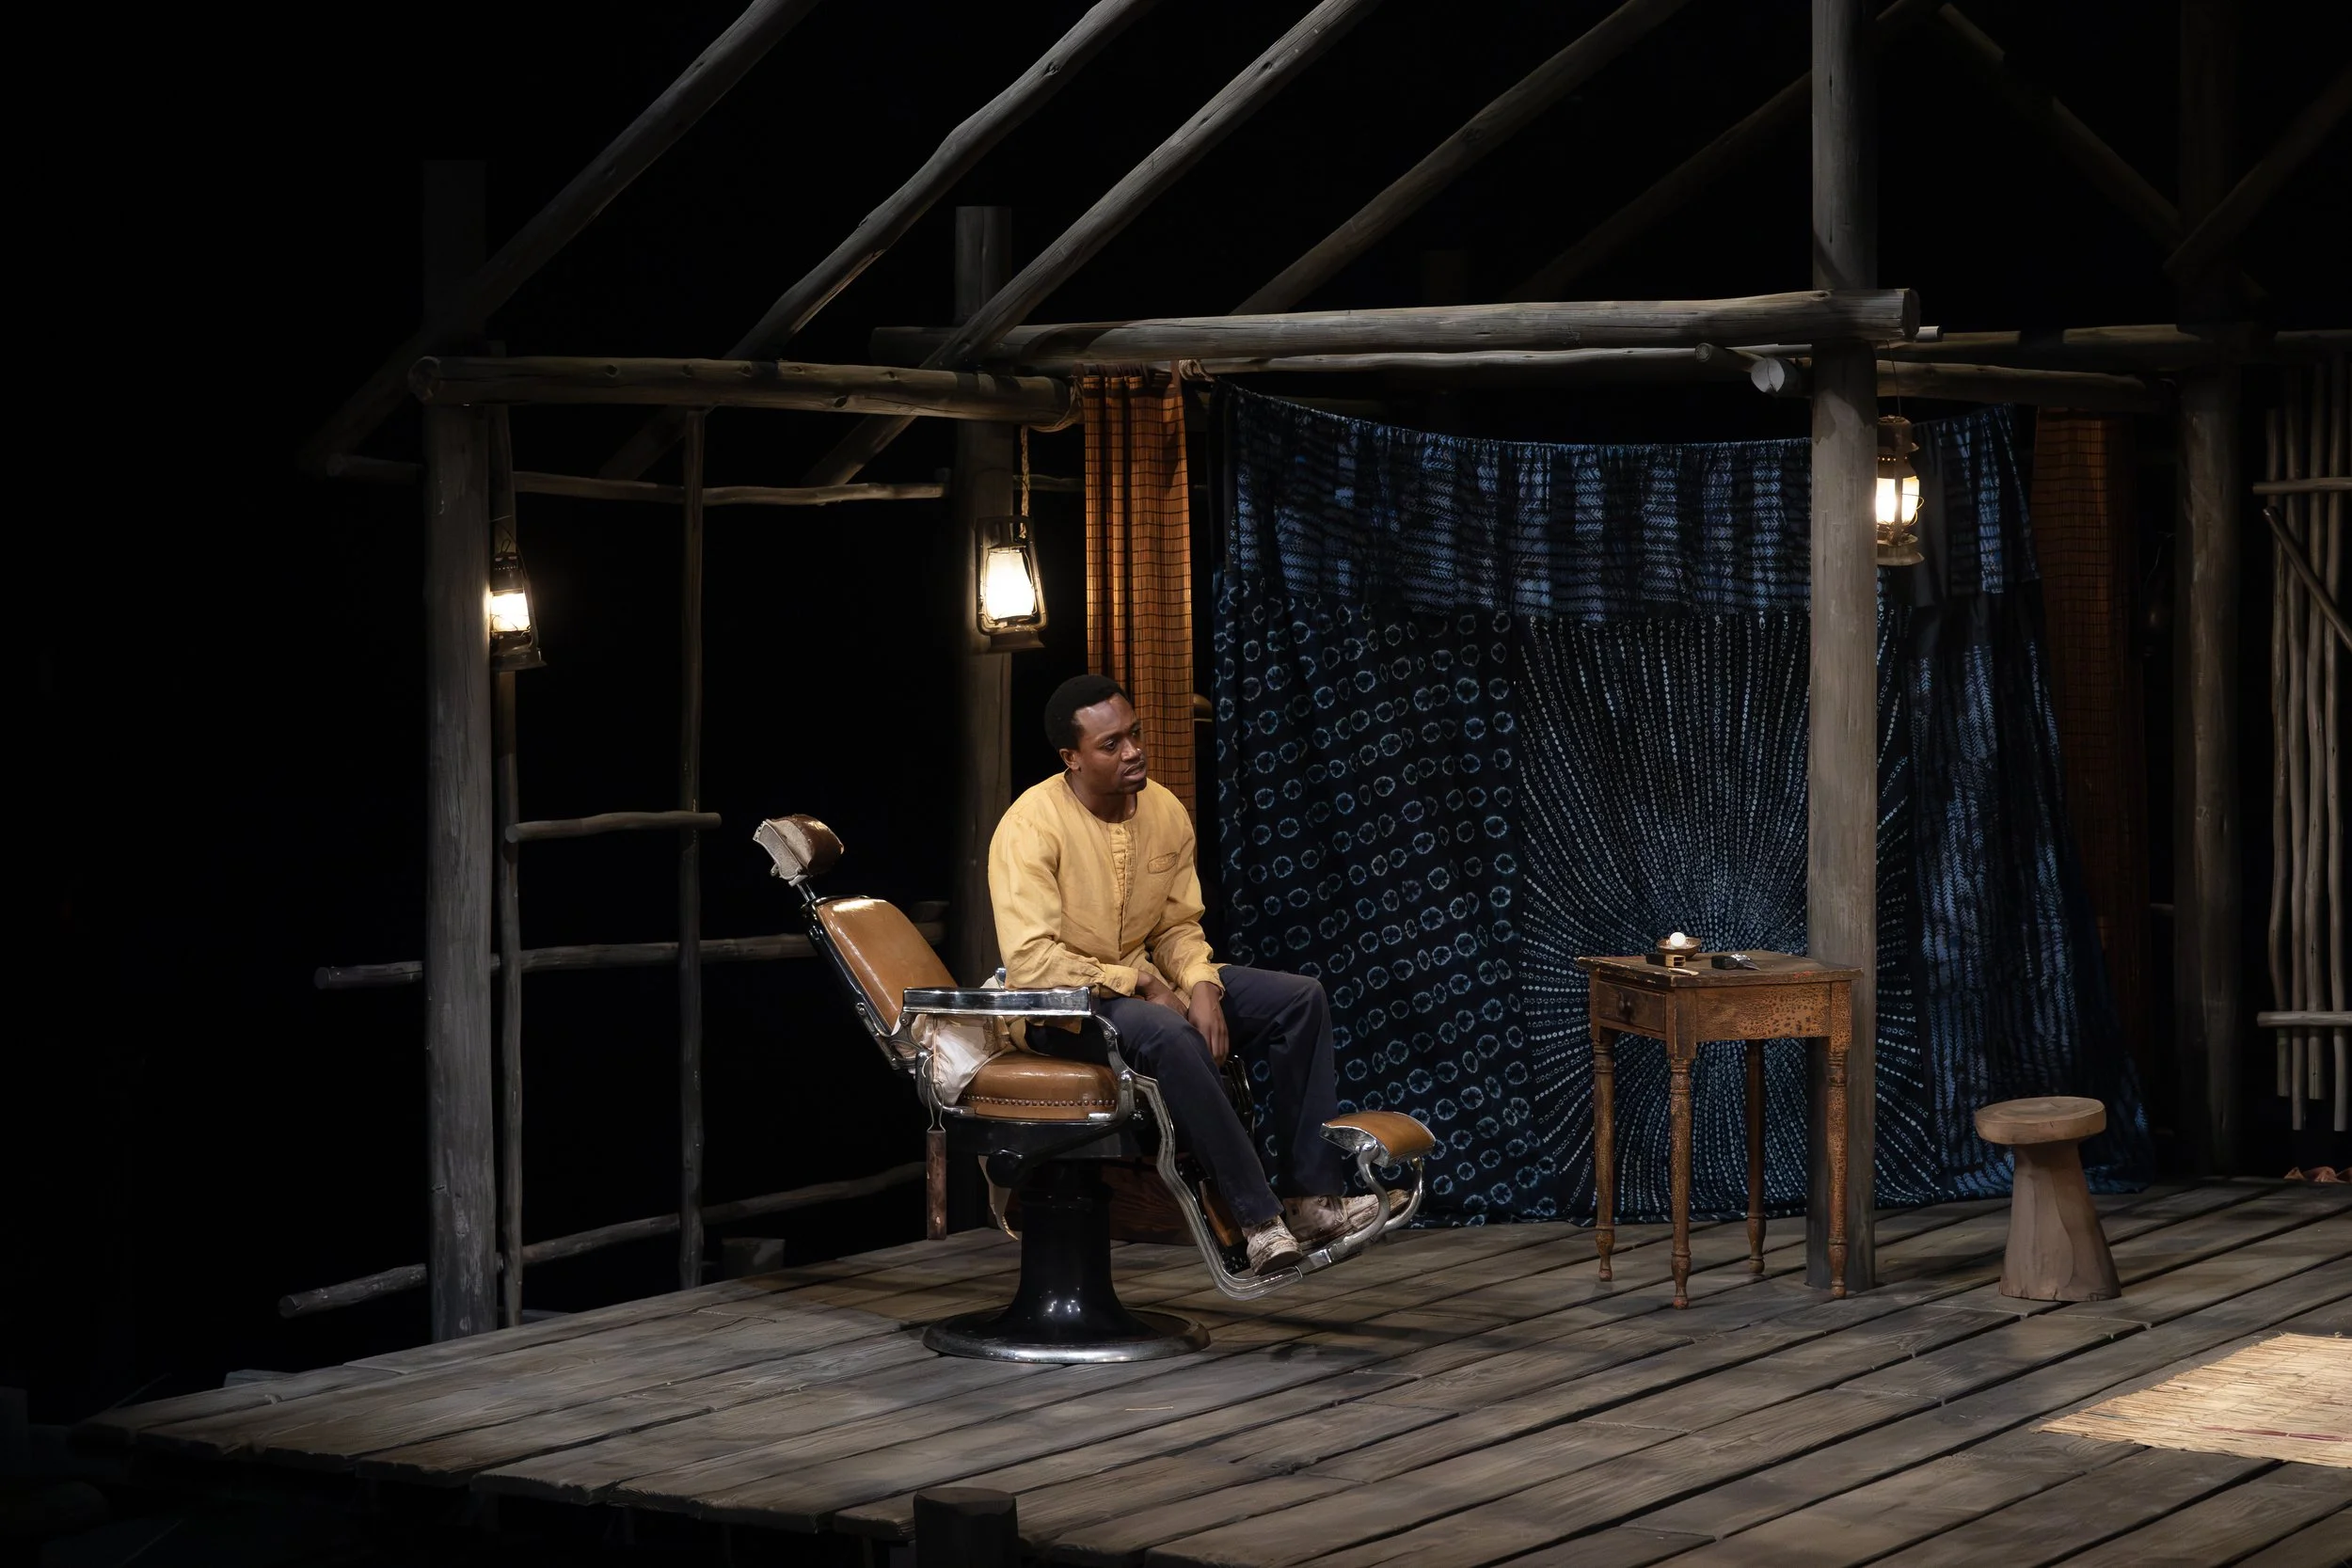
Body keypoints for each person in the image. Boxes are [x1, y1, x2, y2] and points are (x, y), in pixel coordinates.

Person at [989, 673, 1381, 1275]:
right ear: (1072, 758)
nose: (1133, 752)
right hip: (1063, 1008)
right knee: (1169, 1032)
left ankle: (1311, 1199)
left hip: (1143, 986)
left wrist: (1201, 984)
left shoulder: (1165, 810)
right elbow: (1032, 961)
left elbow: (1176, 926)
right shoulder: (1029, 827)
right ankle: (1258, 1221)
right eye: (1111, 744)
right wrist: (1145, 984)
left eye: (1135, 734)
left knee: (1298, 999)